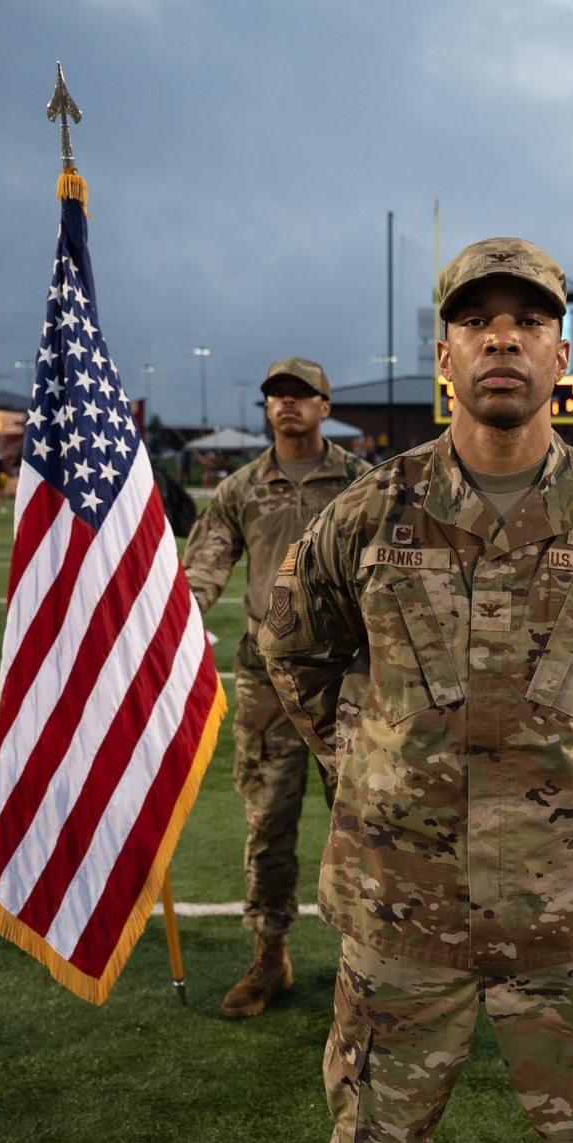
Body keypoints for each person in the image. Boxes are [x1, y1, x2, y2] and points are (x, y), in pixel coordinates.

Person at [258, 239, 573, 1143]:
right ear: (446, 355)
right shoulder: (366, 513)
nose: (502, 334)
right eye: (476, 319)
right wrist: (366, 761)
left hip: (571, 924)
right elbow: (291, 650)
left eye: (529, 319)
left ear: (560, 356)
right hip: (400, 921)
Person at [183, 357, 368, 1018]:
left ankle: (367, 965)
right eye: (276, 397)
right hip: (266, 680)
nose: (287, 405)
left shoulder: (359, 484)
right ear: (266, 409)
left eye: (300, 395)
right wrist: (178, 619)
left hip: (346, 678)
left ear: (324, 405)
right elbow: (205, 563)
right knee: (268, 818)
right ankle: (270, 956)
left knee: (365, 821)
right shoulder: (240, 488)